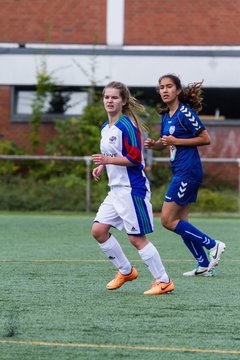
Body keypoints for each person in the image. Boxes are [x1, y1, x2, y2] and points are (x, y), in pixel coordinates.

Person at [91, 81, 174, 295]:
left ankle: (163, 281)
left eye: (114, 97)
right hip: (116, 190)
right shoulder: (105, 127)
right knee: (99, 231)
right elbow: (113, 154)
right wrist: (102, 165)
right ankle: (126, 271)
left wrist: (107, 161)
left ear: (124, 101)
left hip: (131, 189)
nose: (110, 101)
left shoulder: (127, 126)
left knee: (136, 238)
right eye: (106, 97)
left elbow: (135, 160)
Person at [144, 74, 226, 276]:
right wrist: (154, 145)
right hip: (180, 171)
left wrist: (176, 141)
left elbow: (205, 139)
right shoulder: (166, 117)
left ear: (178, 90)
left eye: (169, 86)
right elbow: (167, 144)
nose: (164, 90)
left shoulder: (185, 113)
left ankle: (213, 244)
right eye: (161, 87)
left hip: (188, 172)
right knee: (182, 221)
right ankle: (204, 265)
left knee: (167, 220)